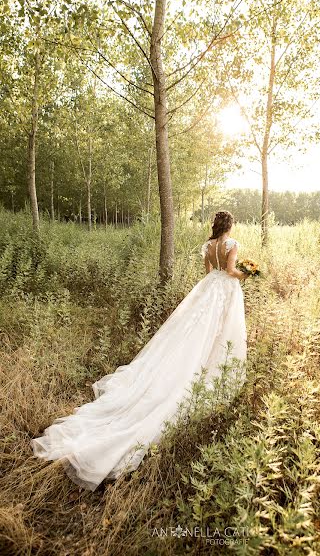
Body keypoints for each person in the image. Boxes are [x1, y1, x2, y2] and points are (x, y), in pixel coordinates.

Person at [31, 210, 249, 491]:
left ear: (215, 225)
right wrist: (247, 274)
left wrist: (221, 277)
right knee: (219, 333)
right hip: (225, 291)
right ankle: (208, 365)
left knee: (196, 332)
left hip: (208, 291)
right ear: (230, 226)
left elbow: (210, 272)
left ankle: (198, 361)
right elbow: (230, 272)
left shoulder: (208, 247)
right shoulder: (233, 245)